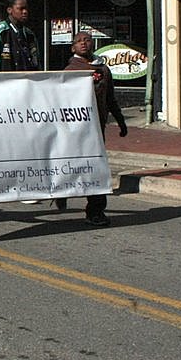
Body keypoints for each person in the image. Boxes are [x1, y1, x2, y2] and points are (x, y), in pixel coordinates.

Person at [60, 31, 128, 226]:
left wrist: (121, 121)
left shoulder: (103, 69)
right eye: (79, 41)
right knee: (70, 165)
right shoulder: (70, 71)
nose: (83, 43)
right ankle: (61, 193)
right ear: (73, 47)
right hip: (75, 130)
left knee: (96, 169)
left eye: (87, 40)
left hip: (96, 130)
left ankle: (95, 211)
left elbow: (110, 98)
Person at [0, 0, 40, 72]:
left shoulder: (29, 34)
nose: (25, 12)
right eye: (21, 9)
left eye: (26, 9)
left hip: (27, 79)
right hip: (5, 79)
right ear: (9, 10)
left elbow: (36, 63)